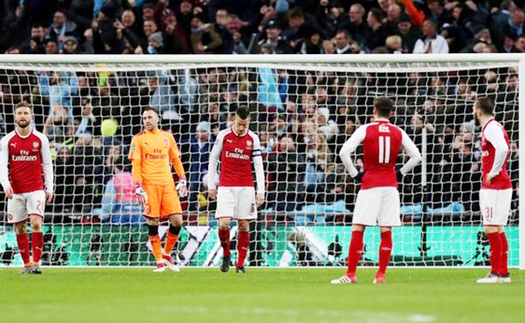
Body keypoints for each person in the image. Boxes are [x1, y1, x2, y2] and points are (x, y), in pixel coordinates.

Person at [331, 97, 421, 284]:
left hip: (370, 184)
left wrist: (355, 174)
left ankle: (351, 274)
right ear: (392, 113)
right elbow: (416, 157)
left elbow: (343, 152)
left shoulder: (365, 129)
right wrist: (401, 173)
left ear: (374, 110)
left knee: (358, 227)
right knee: (385, 229)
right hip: (390, 185)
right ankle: (380, 275)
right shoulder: (398, 131)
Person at [128, 107, 188, 273]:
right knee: (153, 221)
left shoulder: (167, 137)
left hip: (168, 184)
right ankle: (159, 261)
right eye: (144, 118)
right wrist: (137, 185)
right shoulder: (138, 139)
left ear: (157, 119)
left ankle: (167, 254)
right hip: (150, 185)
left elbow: (175, 159)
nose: (146, 120)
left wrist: (182, 178)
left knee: (177, 221)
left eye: (149, 117)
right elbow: (136, 164)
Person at [208, 106, 265, 273]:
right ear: (234, 119)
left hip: (246, 187)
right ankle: (226, 254)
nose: (241, 128)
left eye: (245, 125)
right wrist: (212, 185)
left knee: (244, 225)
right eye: (239, 124)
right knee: (224, 224)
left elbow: (258, 165)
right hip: (226, 186)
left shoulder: (253, 138)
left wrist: (260, 190)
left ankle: (240, 264)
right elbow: (213, 159)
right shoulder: (223, 135)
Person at [0, 102, 54, 274]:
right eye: (19, 113)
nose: (22, 116)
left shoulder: (41, 139)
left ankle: (36, 262)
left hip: (36, 189)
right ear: (15, 116)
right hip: (15, 191)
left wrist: (49, 187)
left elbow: (47, 164)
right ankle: (27, 264)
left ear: (31, 116)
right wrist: (5, 185)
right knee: (20, 227)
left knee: (36, 222)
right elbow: (2, 165)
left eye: (26, 113)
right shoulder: (7, 140)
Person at [472, 97, 512, 284]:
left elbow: (504, 149)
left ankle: (495, 273)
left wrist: (493, 171)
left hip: (495, 185)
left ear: (479, 110)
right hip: (501, 184)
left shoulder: (491, 128)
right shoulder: (494, 126)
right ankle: (503, 273)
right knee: (498, 227)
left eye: (474, 108)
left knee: (489, 226)